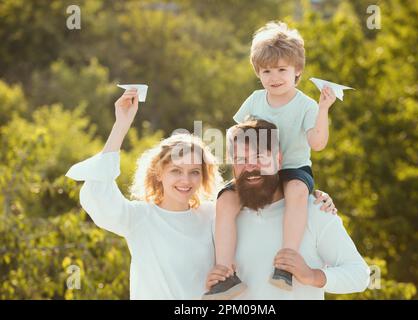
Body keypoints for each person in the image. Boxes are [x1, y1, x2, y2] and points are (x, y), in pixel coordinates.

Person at [65, 88, 336, 299]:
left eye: (195, 171)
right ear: (159, 173)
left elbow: (261, 188)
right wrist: (121, 125)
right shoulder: (139, 218)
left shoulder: (214, 214)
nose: (186, 180)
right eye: (176, 171)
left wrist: (311, 194)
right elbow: (99, 194)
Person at [212, 21, 338, 299]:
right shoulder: (255, 99)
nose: (274, 77)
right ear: (258, 73)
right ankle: (224, 273)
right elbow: (237, 136)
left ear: (297, 71)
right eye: (266, 71)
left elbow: (317, 143)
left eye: (282, 69)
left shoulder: (306, 104)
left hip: (292, 168)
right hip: (258, 167)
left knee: (295, 192)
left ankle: (286, 264)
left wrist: (324, 109)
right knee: (225, 199)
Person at [203, 118, 370, 300]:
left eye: (259, 157)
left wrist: (312, 276)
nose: (250, 167)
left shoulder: (314, 210)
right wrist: (211, 280)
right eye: (241, 159)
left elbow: (359, 275)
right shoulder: (220, 218)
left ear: (278, 159)